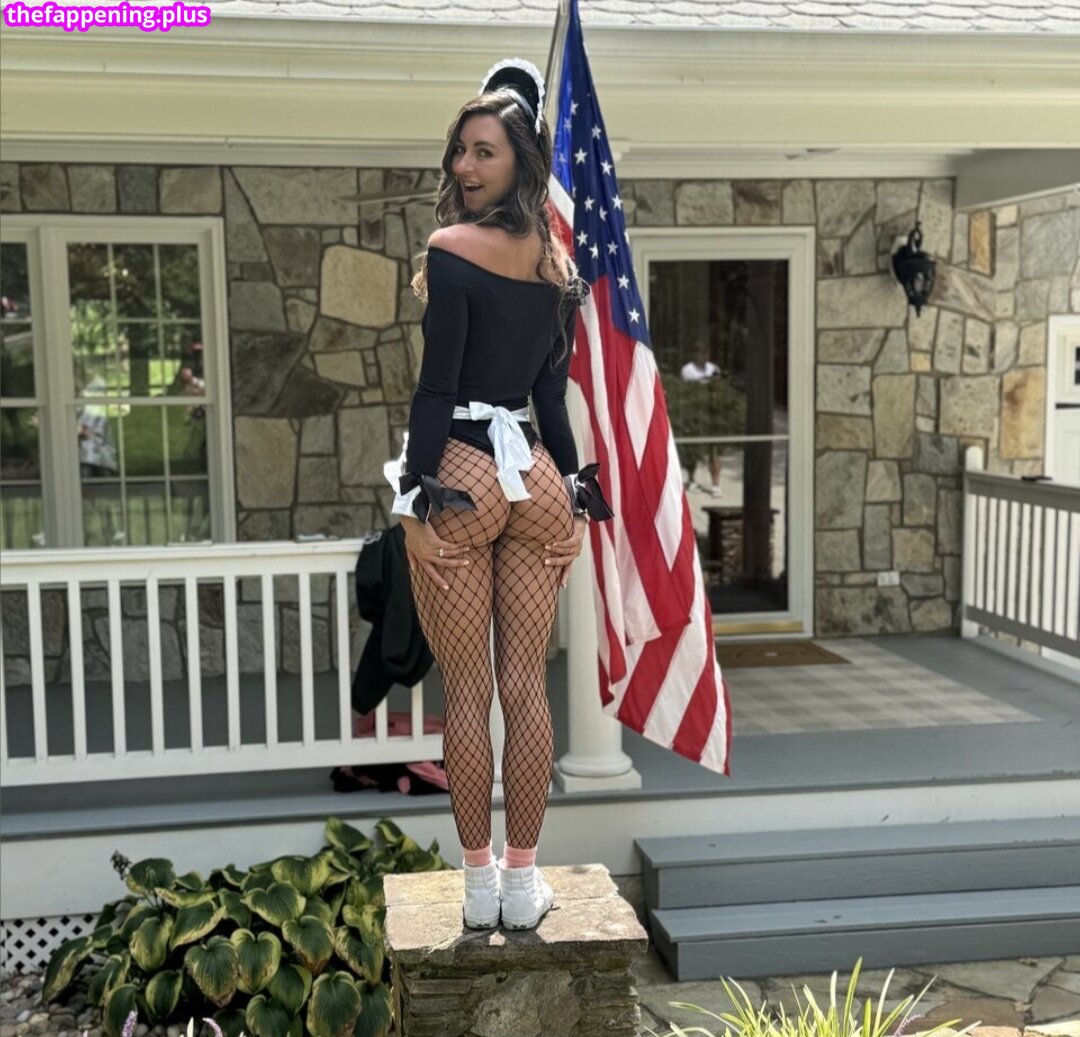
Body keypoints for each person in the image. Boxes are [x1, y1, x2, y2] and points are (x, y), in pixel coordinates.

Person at [383, 56, 613, 932]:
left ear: (521, 161)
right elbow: (551, 398)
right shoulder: (558, 267)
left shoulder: (450, 252)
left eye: (484, 152)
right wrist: (576, 485)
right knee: (526, 685)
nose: (465, 166)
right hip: (538, 481)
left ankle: (481, 884)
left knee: (471, 690)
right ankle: (525, 883)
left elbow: (437, 388)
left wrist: (414, 496)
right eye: (461, 151)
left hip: (465, 475)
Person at [679, 336, 724, 497]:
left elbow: (719, 388)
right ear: (694, 354)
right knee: (694, 450)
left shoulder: (713, 368)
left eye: (706, 352)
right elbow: (689, 391)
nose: (703, 355)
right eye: (699, 352)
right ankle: (691, 479)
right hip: (695, 414)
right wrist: (705, 381)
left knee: (714, 450)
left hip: (711, 414)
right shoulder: (687, 370)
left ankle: (716, 484)